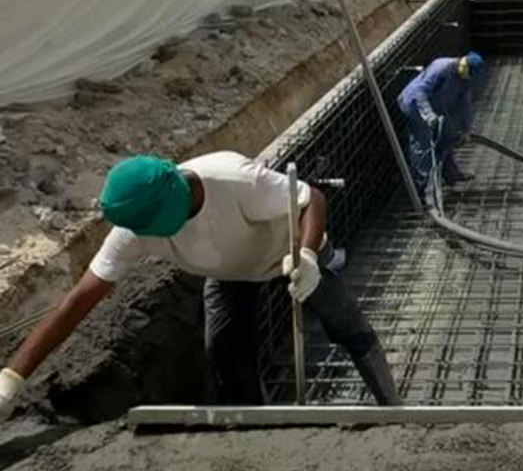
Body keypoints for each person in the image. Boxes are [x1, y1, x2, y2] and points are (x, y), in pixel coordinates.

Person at [0, 151, 399, 422]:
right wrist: (11, 380)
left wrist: (307, 256)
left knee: (345, 323)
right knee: (226, 354)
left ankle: (393, 411)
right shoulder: (135, 228)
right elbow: (77, 302)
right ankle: (260, 434)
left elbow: (312, 198)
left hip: (288, 252)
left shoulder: (233, 178)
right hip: (229, 273)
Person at [397, 52, 484, 204]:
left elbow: (464, 106)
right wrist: (428, 115)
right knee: (423, 145)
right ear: (463, 65)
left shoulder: (466, 80)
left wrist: (466, 130)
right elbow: (419, 91)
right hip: (414, 104)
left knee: (447, 136)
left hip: (436, 107)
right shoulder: (441, 67)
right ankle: (424, 189)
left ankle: (451, 174)